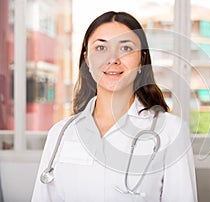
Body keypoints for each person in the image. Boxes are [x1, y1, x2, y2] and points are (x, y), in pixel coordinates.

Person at [32, 11, 197, 202]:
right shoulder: (60, 133)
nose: (113, 59)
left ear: (142, 59)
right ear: (87, 59)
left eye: (126, 48)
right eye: (101, 47)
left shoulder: (170, 131)